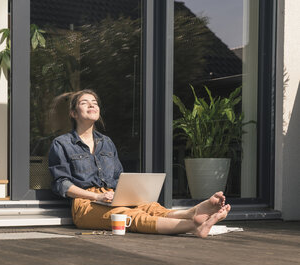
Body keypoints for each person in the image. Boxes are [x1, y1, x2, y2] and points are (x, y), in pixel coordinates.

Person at [48, 89, 231, 238]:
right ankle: (192, 226)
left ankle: (195, 211)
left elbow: (118, 176)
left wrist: (127, 194)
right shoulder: (62, 144)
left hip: (113, 196)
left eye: (94, 102)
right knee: (129, 216)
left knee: (150, 207)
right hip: (86, 203)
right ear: (73, 113)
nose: (92, 105)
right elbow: (61, 184)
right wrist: (97, 197)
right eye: (84, 103)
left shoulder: (107, 142)